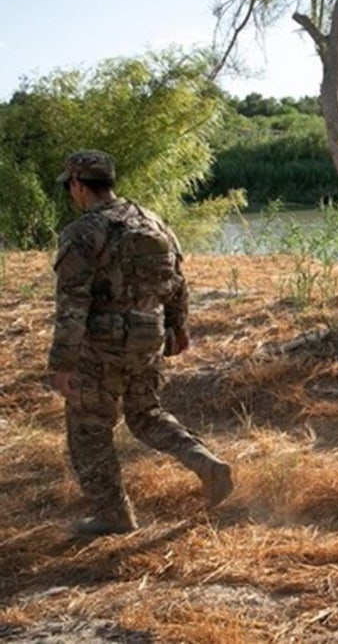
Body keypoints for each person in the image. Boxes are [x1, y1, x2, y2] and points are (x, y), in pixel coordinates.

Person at [49, 150, 234, 536]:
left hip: (100, 346)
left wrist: (62, 363)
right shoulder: (153, 222)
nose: (71, 192)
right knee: (146, 414)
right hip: (148, 337)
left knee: (89, 428)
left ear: (79, 185)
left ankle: (113, 515)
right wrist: (178, 327)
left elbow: (72, 304)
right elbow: (178, 282)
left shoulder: (82, 233)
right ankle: (205, 462)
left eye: (70, 186)